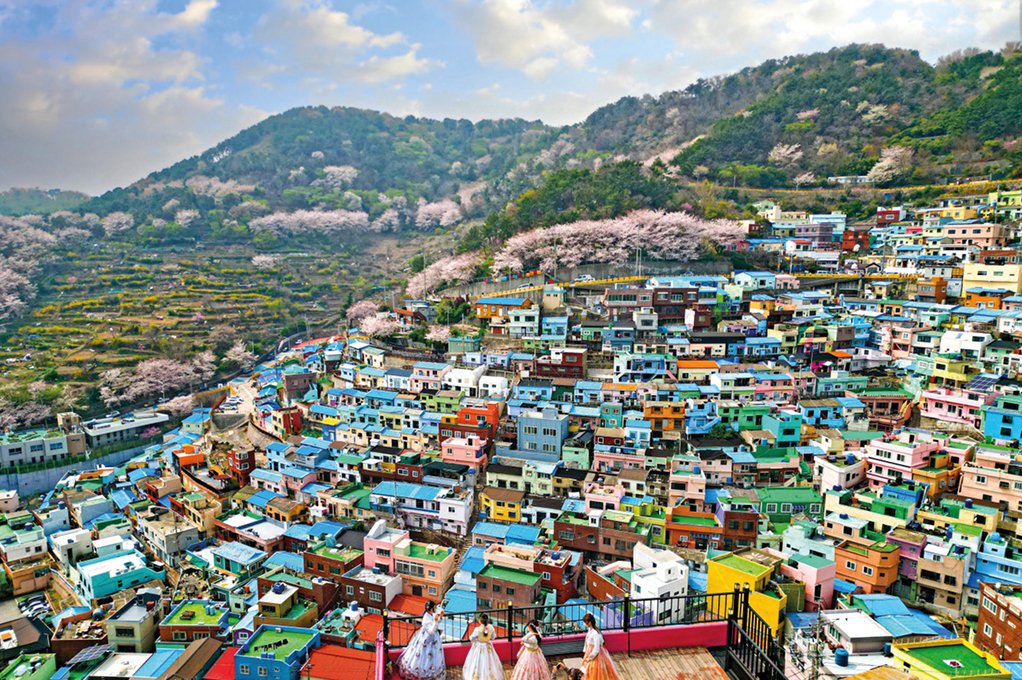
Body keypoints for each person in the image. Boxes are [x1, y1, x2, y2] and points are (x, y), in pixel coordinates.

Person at [396, 600, 446, 680]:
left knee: (431, 657)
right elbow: (430, 631)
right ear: (430, 609)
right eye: (434, 607)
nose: (435, 609)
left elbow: (435, 623)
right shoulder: (426, 618)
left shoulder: (432, 614)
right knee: (423, 657)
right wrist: (436, 621)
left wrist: (440, 617)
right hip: (426, 640)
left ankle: (430, 672)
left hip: (433, 640)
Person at [464, 614, 505, 680]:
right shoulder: (491, 627)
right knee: (490, 662)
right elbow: (493, 637)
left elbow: (471, 638)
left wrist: (477, 639)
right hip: (487, 646)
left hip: (478, 647)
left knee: (477, 662)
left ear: (480, 621)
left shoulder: (477, 629)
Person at [580, 614, 620, 680]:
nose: (584, 624)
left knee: (594, 671)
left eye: (585, 622)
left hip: (594, 655)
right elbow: (587, 641)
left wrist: (590, 657)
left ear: (589, 622)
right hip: (589, 653)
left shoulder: (595, 633)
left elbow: (596, 648)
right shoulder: (590, 630)